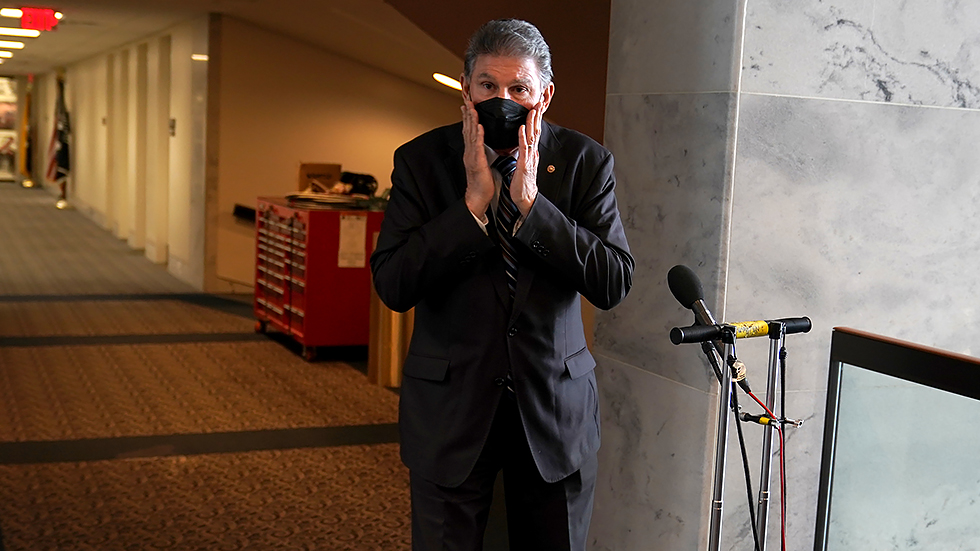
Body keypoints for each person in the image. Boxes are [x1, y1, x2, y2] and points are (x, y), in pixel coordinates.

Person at [370, 19, 633, 551]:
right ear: (466, 89)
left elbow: (613, 280)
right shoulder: (420, 162)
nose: (503, 100)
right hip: (450, 412)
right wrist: (470, 207)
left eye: (519, 89)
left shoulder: (585, 162)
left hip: (554, 414)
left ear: (546, 94)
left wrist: (534, 206)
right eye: (488, 86)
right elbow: (393, 283)